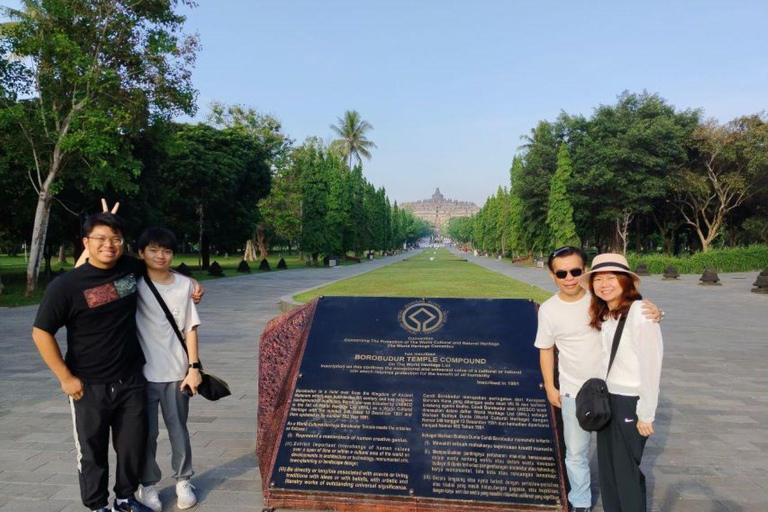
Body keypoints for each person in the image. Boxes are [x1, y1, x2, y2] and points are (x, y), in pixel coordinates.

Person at [32, 213, 155, 512]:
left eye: (115, 239)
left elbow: (162, 268)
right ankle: (97, 505)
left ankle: (125, 499)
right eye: (100, 239)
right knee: (91, 451)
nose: (108, 245)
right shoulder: (66, 286)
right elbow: (41, 332)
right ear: (86, 243)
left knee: (131, 447)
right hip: (87, 386)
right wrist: (65, 377)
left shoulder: (130, 268)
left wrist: (192, 286)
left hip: (130, 380)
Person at [535, 246, 661, 512]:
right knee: (582, 455)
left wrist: (656, 313)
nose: (569, 277)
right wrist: (550, 386)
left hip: (613, 394)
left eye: (576, 271)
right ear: (552, 275)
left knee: (621, 465)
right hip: (575, 392)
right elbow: (546, 349)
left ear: (583, 273)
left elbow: (636, 320)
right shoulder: (551, 309)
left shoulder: (599, 299)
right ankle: (581, 503)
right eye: (562, 272)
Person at [580, 253, 663, 512]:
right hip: (609, 401)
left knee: (626, 473)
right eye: (598, 279)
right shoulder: (607, 313)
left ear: (625, 281)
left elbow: (652, 366)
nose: (604, 284)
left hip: (629, 402)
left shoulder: (640, 312)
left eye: (611, 278)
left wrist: (646, 413)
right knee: (609, 473)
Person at [134, 227, 201, 511]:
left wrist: (194, 367)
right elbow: (86, 277)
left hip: (177, 374)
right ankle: (147, 485)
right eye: (153, 249)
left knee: (178, 430)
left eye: (167, 250)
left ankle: (184, 481)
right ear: (141, 253)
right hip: (142, 376)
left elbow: (191, 328)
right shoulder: (132, 284)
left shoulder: (185, 286)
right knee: (145, 434)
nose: (160, 256)